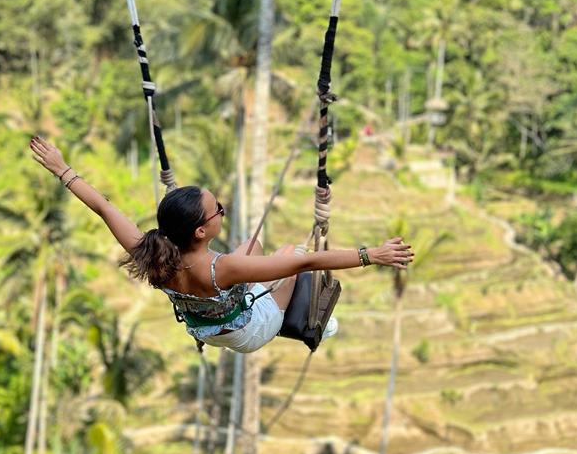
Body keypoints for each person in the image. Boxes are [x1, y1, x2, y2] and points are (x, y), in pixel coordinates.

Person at [29, 136, 414, 354]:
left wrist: (62, 169)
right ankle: (314, 325)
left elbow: (103, 207)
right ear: (200, 231)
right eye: (218, 210)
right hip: (249, 332)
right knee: (290, 253)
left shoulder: (150, 250)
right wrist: (371, 255)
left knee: (253, 245)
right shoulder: (223, 268)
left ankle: (263, 297)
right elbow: (306, 263)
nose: (221, 211)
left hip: (207, 329)